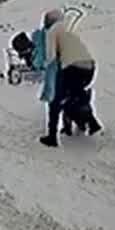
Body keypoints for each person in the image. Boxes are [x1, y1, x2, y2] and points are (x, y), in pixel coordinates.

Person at [39, 8, 102, 147]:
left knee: (56, 100)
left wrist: (43, 67)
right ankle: (90, 124)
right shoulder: (69, 32)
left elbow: (51, 57)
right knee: (75, 96)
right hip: (90, 68)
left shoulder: (52, 32)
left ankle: (52, 137)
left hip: (73, 68)